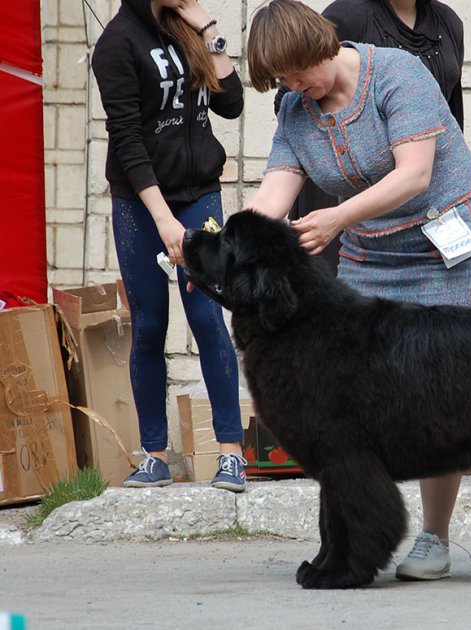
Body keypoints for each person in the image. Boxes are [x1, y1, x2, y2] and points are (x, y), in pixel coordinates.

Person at [245, 0, 471, 579]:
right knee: (350, 405)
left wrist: (336, 219)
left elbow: (413, 173)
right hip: (372, 255)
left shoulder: (396, 73)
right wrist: (220, 243)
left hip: (450, 249)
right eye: (282, 81)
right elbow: (273, 198)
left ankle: (434, 538)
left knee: (446, 391)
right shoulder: (295, 110)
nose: (292, 87)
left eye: (296, 72)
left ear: (319, 46)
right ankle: (350, 540)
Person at [91, 0, 247, 491]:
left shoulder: (188, 28)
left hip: (200, 192)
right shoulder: (116, 45)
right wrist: (163, 220)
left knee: (206, 315)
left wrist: (209, 31)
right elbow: (127, 142)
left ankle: (230, 453)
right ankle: (155, 455)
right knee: (151, 323)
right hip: (141, 204)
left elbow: (232, 103)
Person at [275, 0, 466, 273]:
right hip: (345, 199)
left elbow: (450, 112)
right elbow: (295, 103)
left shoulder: (448, 22)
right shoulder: (347, 15)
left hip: (427, 206)